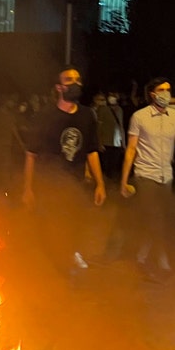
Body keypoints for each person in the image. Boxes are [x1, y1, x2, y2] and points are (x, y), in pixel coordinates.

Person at [21, 67, 107, 270]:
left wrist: (100, 184)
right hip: (49, 183)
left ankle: (68, 258)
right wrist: (27, 189)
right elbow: (30, 154)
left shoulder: (88, 115)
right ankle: (53, 268)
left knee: (75, 222)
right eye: (69, 80)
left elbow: (92, 151)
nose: (75, 83)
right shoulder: (45, 116)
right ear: (59, 87)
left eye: (77, 79)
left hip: (76, 183)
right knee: (52, 227)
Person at [120, 77, 175, 276]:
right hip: (145, 174)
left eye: (168, 89)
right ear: (152, 94)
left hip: (166, 176)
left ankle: (142, 255)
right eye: (161, 90)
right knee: (154, 217)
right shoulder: (139, 117)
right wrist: (124, 180)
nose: (165, 93)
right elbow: (131, 149)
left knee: (160, 218)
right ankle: (158, 258)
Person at [93, 92, 125, 179]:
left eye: (114, 96)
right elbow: (99, 127)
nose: (112, 98)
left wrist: (123, 143)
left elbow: (121, 126)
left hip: (117, 143)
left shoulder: (119, 110)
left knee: (114, 167)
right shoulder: (103, 109)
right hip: (106, 143)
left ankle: (111, 185)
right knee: (105, 166)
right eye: (111, 96)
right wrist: (100, 143)